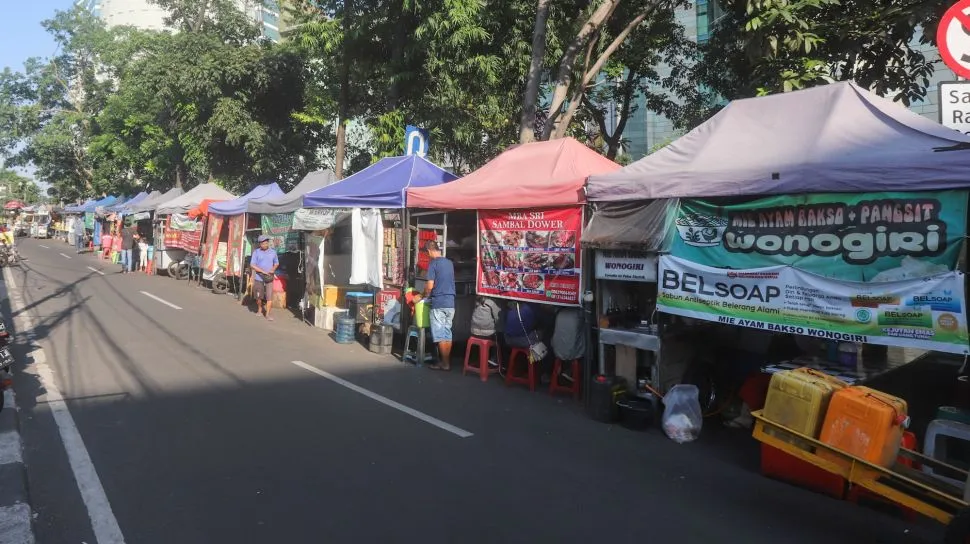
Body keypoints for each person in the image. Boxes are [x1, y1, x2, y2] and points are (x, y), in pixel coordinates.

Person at [422, 241, 455, 371]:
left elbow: (429, 286)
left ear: (429, 251)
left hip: (439, 303)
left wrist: (423, 295)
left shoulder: (433, 263)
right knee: (447, 334)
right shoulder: (449, 263)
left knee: (440, 335)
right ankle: (446, 362)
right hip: (450, 302)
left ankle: (445, 363)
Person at [250, 234, 279, 320]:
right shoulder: (256, 252)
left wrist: (273, 269)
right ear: (260, 244)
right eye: (263, 243)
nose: (265, 245)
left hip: (269, 277)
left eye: (266, 243)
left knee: (269, 296)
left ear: (268, 243)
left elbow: (276, 263)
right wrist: (262, 271)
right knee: (259, 296)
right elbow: (252, 265)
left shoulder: (273, 252)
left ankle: (268, 314)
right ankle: (259, 309)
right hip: (259, 277)